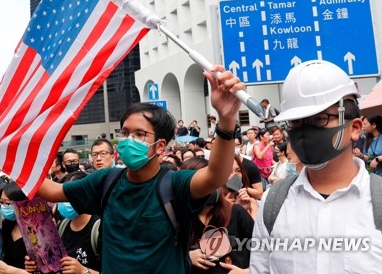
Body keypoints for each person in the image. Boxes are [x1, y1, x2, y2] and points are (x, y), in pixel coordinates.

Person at [37, 64, 244, 274]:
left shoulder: (174, 184)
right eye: (125, 132)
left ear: (161, 146)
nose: (128, 140)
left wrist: (226, 119)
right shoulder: (106, 181)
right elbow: (52, 191)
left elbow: (215, 176)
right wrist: (12, 158)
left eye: (139, 134)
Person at [250, 60, 382, 273]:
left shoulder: (377, 202)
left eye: (319, 119)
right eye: (296, 122)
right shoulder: (274, 202)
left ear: (355, 128)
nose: (304, 131)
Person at [182, 157, 254, 274]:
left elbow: (265, 250)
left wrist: (248, 272)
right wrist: (186, 258)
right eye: (198, 183)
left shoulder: (235, 212)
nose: (205, 187)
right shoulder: (177, 220)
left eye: (210, 181)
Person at [0, 181, 30, 274]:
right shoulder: (6, 225)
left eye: (7, 203)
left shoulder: (38, 231)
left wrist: (8, 270)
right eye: (1, 202)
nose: (4, 207)